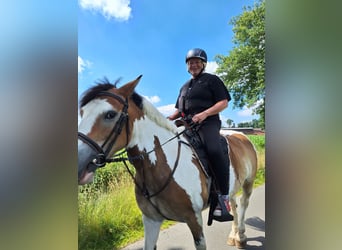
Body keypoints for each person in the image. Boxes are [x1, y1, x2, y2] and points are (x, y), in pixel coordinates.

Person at [168, 48, 232, 218]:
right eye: (190, 62)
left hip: (208, 123)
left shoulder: (212, 80)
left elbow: (223, 102)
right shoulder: (184, 87)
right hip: (187, 125)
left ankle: (223, 198)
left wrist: (204, 114)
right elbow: (178, 110)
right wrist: (167, 119)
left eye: (197, 62)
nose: (193, 65)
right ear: (187, 66)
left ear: (203, 64)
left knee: (213, 150)